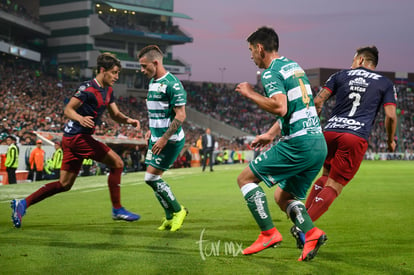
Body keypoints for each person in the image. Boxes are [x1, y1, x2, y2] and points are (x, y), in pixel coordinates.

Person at [11, 52, 141, 228]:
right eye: (114, 72)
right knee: (117, 163)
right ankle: (117, 209)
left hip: (73, 139)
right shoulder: (87, 88)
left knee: (64, 184)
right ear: (103, 70)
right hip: (78, 137)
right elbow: (68, 109)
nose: (117, 77)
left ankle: (22, 204)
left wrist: (128, 120)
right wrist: (80, 118)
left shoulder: (108, 90)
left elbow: (115, 114)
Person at [234, 26, 328, 261]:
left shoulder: (270, 72)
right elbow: (296, 108)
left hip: (298, 144)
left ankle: (268, 233)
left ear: (260, 48)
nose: (251, 56)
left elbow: (280, 107)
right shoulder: (294, 66)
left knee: (245, 179)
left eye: (250, 51)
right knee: (283, 197)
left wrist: (249, 93)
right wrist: (270, 134)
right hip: (318, 143)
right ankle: (312, 233)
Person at [291, 46, 397, 248]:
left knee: (325, 177)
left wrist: (315, 125)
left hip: (329, 133)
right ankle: (303, 228)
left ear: (360, 60)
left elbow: (318, 101)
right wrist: (391, 139)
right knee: (334, 186)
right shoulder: (385, 83)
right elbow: (391, 116)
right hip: (354, 136)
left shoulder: (340, 75)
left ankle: (303, 222)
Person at [138, 45, 188, 232]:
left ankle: (178, 210)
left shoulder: (172, 84)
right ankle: (168, 217)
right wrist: (151, 130)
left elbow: (181, 115)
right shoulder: (152, 82)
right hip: (156, 138)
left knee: (151, 178)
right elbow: (157, 111)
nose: (142, 70)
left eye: (144, 66)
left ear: (156, 62)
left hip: (170, 140)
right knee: (152, 178)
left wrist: (164, 138)